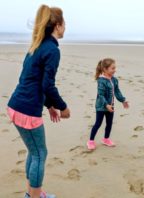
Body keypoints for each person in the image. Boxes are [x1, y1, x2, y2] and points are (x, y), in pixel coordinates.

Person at [7, 5, 70, 198]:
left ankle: (32, 193)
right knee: (40, 154)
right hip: (27, 110)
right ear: (58, 26)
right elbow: (47, 85)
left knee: (33, 151)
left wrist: (49, 105)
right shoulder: (51, 49)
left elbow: (32, 80)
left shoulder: (37, 45)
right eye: (64, 23)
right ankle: (34, 196)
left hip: (16, 105)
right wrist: (62, 106)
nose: (66, 27)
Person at [87, 58, 129, 150]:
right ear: (105, 69)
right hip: (101, 106)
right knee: (98, 123)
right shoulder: (101, 81)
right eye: (112, 68)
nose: (115, 70)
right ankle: (90, 141)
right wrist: (106, 105)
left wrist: (123, 100)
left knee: (109, 124)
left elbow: (117, 91)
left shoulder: (114, 80)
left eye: (115, 68)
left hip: (111, 106)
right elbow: (100, 95)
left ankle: (106, 139)